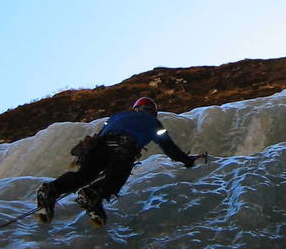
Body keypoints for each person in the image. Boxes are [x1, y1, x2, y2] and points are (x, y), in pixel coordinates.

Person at [36, 96, 204, 226]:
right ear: (152, 111)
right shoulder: (154, 123)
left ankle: (52, 189)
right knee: (117, 176)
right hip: (124, 146)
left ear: (136, 108)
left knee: (84, 175)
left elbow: (101, 133)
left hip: (99, 145)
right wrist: (187, 161)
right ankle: (93, 193)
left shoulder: (118, 116)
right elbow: (169, 148)